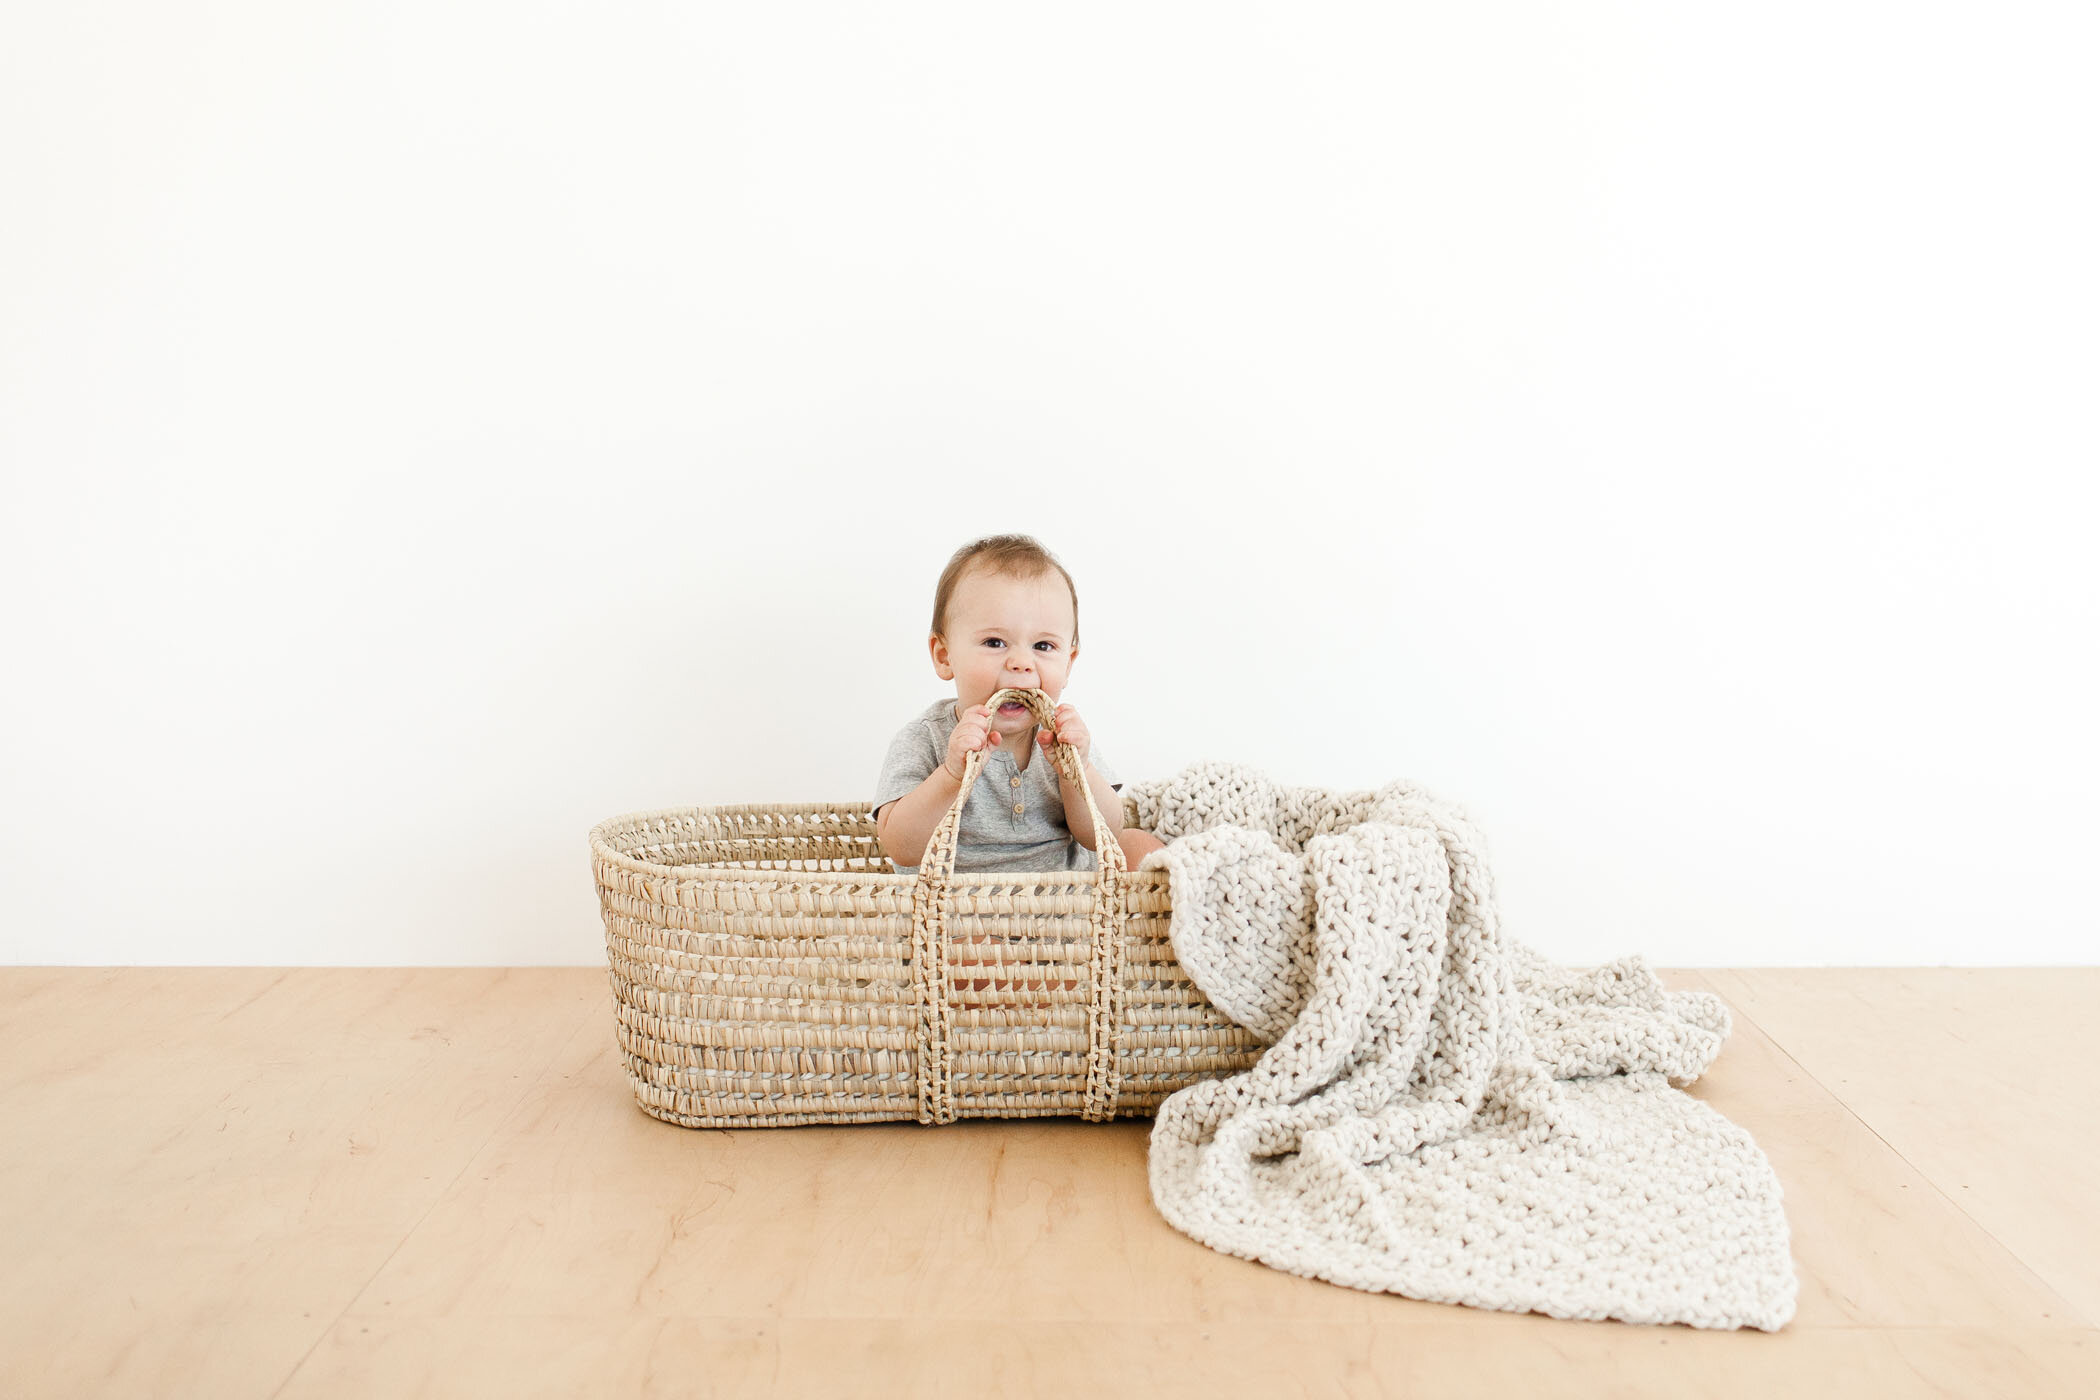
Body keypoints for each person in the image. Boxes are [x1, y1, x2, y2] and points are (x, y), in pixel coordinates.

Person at [871, 534, 1169, 882]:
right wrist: (951, 776)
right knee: (969, 939)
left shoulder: (1062, 736)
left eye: (1043, 645)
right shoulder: (926, 738)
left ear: (1068, 663)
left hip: (1067, 904)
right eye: (994, 642)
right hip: (962, 911)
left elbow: (1102, 836)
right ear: (944, 655)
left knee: (1138, 845)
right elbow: (900, 846)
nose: (1021, 663)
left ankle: (1131, 932)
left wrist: (1077, 770)